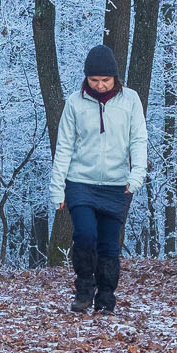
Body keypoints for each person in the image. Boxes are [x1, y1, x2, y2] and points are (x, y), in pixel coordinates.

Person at [48, 45, 148, 314]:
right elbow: (64, 147)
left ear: (116, 78)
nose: (101, 85)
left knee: (108, 243)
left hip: (117, 184)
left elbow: (138, 139)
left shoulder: (130, 100)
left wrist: (136, 175)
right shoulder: (75, 103)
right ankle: (83, 289)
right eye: (94, 80)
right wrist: (57, 189)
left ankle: (106, 295)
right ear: (86, 78)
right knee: (84, 235)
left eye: (106, 80)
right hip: (80, 181)